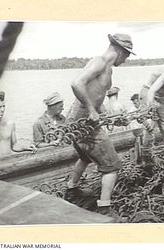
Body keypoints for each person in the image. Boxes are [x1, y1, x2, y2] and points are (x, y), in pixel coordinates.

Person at [65, 33, 135, 214]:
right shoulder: (100, 62)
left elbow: (95, 95)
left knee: (86, 157)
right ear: (120, 50)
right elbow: (76, 83)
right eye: (127, 55)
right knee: (112, 166)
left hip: (77, 119)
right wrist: (90, 110)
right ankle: (105, 208)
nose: (126, 60)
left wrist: (106, 114)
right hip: (83, 121)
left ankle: (71, 190)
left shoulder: (107, 68)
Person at [0, 91, 37, 158]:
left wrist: (26, 147)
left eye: (4, 106)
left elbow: (14, 146)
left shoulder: (10, 124)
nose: (3, 109)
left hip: (9, 161)